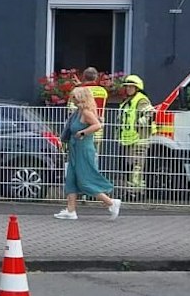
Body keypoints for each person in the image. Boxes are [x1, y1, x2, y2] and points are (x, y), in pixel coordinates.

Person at [56, 85, 121, 220]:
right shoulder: (78, 112)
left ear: (80, 98)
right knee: (71, 179)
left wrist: (83, 132)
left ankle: (111, 202)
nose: (72, 100)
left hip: (84, 149)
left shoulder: (86, 112)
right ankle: (71, 210)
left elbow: (97, 125)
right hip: (75, 149)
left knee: (84, 180)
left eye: (74, 97)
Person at [116, 74, 156, 195]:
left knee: (138, 166)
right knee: (131, 166)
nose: (128, 89)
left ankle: (137, 191)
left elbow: (151, 113)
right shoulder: (128, 100)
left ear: (137, 88)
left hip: (140, 138)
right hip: (129, 138)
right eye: (127, 86)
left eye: (131, 87)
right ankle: (131, 189)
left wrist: (139, 123)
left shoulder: (141, 99)